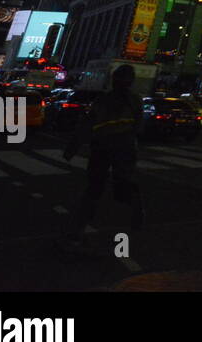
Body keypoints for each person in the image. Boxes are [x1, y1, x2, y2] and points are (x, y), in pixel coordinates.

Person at [61, 65, 144, 251]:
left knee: (94, 190)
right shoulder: (135, 101)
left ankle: (78, 231)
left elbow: (86, 125)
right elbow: (139, 127)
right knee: (121, 185)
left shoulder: (103, 101)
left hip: (103, 149)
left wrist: (72, 148)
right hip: (125, 149)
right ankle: (132, 211)